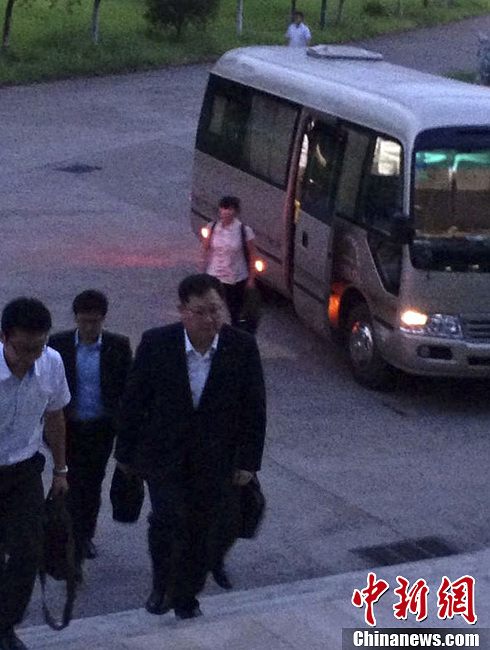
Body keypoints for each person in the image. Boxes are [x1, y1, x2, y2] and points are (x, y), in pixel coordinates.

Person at [115, 273, 266, 619]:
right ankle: (161, 585)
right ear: (182, 311)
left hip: (216, 459)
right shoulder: (157, 344)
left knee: (203, 529)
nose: (210, 319)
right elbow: (134, 401)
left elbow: (254, 407)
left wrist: (249, 461)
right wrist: (125, 455)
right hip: (164, 456)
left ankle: (186, 594)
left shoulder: (240, 347)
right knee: (166, 520)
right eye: (201, 312)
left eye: (216, 310)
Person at [0, 297, 70, 650]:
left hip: (25, 470)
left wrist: (61, 469)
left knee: (28, 551)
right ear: (3, 338)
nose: (30, 358)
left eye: (38, 348)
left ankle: (5, 625)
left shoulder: (52, 363)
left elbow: (55, 417)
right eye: (23, 349)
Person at [48, 290, 131, 571]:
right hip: (68, 427)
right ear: (76, 319)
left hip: (100, 428)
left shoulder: (118, 346)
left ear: (103, 319)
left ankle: (84, 534)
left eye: (94, 322)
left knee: (92, 484)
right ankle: (71, 534)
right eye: (84, 321)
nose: (89, 328)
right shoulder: (59, 345)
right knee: (70, 481)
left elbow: (126, 388)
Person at [201, 196, 256, 328]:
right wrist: (202, 272)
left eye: (229, 209)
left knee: (235, 311)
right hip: (214, 276)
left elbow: (253, 256)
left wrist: (251, 279)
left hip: (235, 278)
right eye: (223, 208)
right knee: (211, 309)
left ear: (235, 211)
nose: (225, 212)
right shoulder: (212, 227)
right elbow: (205, 251)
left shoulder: (244, 231)